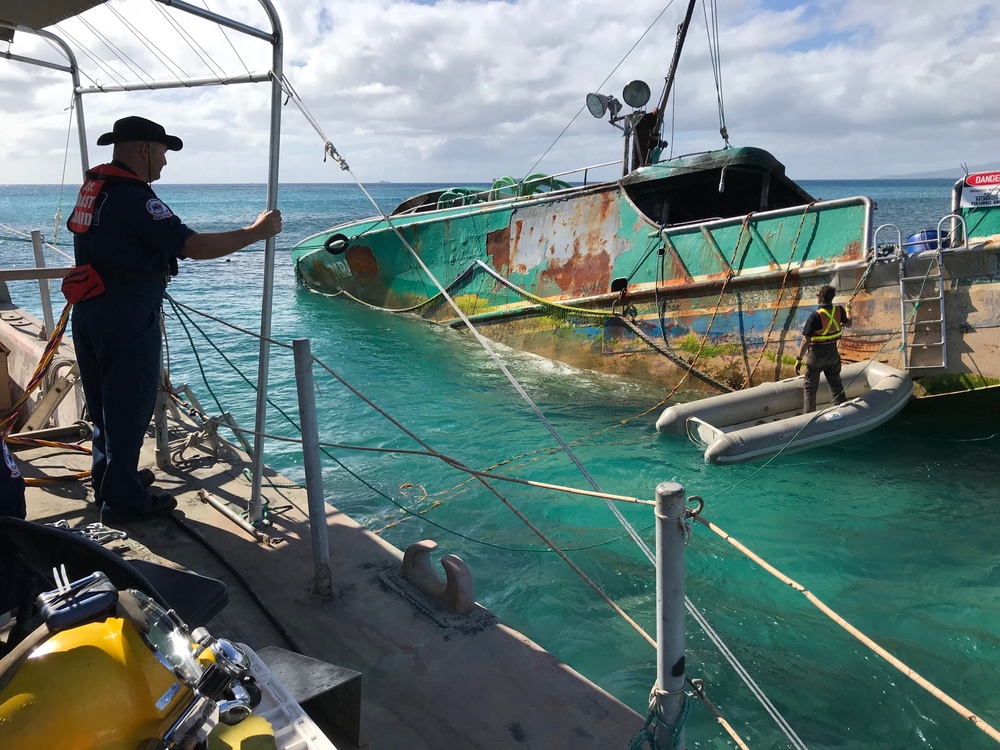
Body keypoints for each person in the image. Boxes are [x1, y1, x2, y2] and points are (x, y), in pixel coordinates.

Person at [67, 116, 282, 523]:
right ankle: (124, 504)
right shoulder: (136, 198)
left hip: (91, 310)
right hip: (128, 313)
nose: (165, 163)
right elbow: (192, 245)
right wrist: (256, 231)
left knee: (103, 406)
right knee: (129, 405)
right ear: (146, 149)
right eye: (163, 153)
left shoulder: (95, 190)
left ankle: (112, 480)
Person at [795, 285, 852, 414]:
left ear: (820, 297)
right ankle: (844, 411)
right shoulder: (839, 310)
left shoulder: (815, 316)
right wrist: (849, 310)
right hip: (832, 354)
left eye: (817, 294)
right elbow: (848, 323)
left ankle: (809, 416)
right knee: (836, 384)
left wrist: (799, 358)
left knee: (810, 388)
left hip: (816, 355)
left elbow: (806, 340)